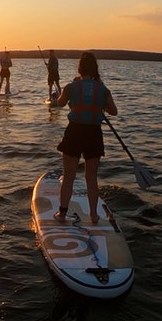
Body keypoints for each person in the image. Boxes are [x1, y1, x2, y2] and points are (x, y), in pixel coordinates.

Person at [54, 51, 117, 224]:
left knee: (69, 176)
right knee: (91, 177)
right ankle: (94, 216)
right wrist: (99, 104)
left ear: (80, 68)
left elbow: (59, 103)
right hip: (94, 133)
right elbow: (114, 111)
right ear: (95, 69)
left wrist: (66, 90)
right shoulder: (102, 89)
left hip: (74, 132)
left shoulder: (72, 87)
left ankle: (62, 214)